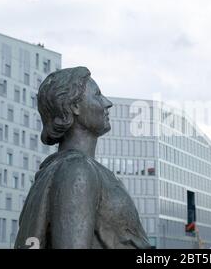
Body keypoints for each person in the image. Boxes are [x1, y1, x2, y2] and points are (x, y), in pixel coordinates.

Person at [14, 66, 151, 249]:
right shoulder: (77, 170)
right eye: (97, 95)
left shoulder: (69, 168)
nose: (107, 103)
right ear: (74, 106)